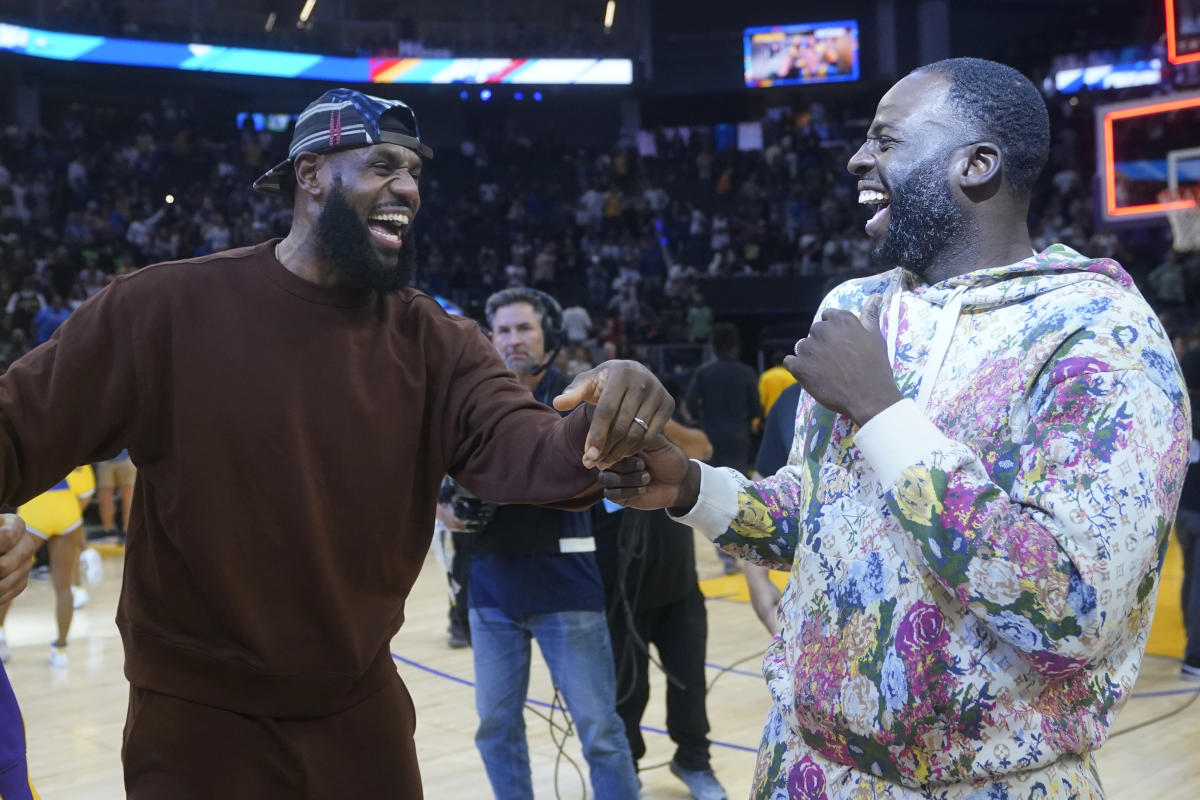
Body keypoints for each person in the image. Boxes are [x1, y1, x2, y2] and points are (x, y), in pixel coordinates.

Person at [0, 88, 674, 799]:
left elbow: (518, 441)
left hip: (359, 709)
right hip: (199, 721)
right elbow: (19, 426)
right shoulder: (162, 308)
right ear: (312, 172)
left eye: (414, 172)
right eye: (383, 165)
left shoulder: (435, 340)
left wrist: (599, 426)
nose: (408, 189)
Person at [599, 58, 1191, 798]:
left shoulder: (1097, 334)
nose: (857, 158)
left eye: (886, 140)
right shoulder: (858, 308)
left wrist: (883, 412)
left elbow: (1072, 602)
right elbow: (810, 519)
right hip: (803, 768)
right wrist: (690, 487)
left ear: (976, 165)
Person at [463, 287, 638, 800]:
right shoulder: (473, 403)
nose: (512, 340)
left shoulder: (578, 397)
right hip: (491, 589)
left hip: (566, 591)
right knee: (495, 730)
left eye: (524, 329)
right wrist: (445, 508)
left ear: (551, 337)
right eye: (503, 331)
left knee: (602, 733)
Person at [596, 417, 728, 800]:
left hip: (679, 587)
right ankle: (627, 768)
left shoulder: (664, 432)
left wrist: (648, 422)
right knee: (626, 692)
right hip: (616, 594)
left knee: (689, 682)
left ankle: (693, 760)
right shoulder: (586, 438)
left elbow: (703, 447)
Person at [0, 475, 84, 667]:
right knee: (64, 587)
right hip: (67, 505)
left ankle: (0, 634)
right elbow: (86, 489)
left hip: (37, 503)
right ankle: (61, 649)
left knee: (11, 575)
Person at [684, 323, 760, 476]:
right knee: (738, 485)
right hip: (738, 436)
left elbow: (690, 403)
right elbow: (756, 408)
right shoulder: (747, 373)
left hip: (710, 435)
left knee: (711, 483)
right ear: (736, 346)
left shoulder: (703, 372)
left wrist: (700, 418)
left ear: (714, 347)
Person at [1178, 342, 1200, 680]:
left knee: (1191, 577)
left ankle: (1191, 641)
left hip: (1181, 507)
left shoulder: (1180, 406)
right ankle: (1195, 656)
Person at [94, 449, 136, 542]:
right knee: (106, 496)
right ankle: (110, 531)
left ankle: (124, 531)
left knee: (128, 495)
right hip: (108, 458)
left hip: (123, 457)